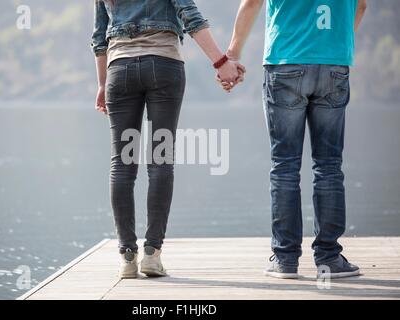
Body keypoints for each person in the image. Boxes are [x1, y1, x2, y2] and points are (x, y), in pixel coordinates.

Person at [91, 0, 244, 279]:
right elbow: (190, 15)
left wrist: (102, 83)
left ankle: (127, 257)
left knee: (122, 164)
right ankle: (152, 254)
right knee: (160, 160)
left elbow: (99, 37)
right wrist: (221, 62)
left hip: (119, 71)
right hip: (163, 66)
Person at [223, 0, 367, 278]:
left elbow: (252, 3)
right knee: (329, 166)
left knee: (285, 166)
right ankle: (330, 258)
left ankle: (285, 260)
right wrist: (337, 43)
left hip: (286, 62)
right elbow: (361, 5)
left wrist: (232, 54)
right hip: (334, 64)